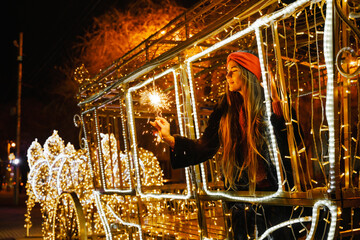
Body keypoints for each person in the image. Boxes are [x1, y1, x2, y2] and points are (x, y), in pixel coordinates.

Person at [151, 50, 302, 239]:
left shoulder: (269, 102)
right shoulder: (226, 108)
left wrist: (278, 105)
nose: (227, 76)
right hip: (242, 195)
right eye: (227, 71)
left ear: (248, 73)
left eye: (234, 70)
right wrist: (170, 139)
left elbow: (295, 143)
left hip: (276, 196)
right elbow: (205, 147)